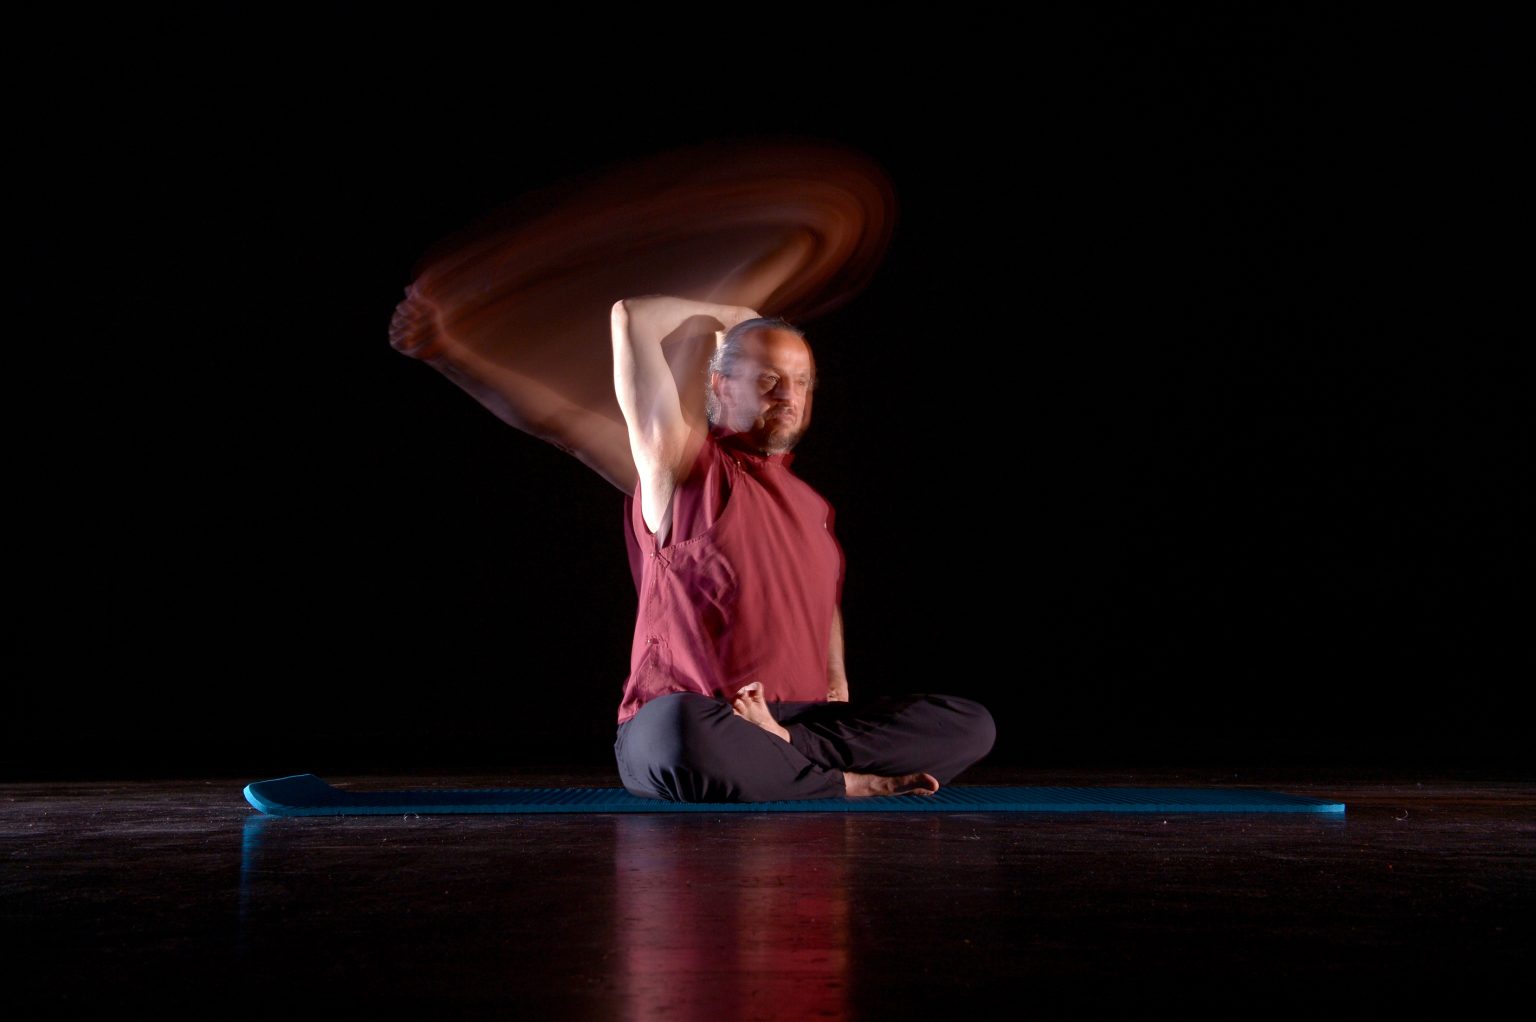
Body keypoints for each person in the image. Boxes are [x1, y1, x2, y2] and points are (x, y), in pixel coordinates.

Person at [609, 295, 995, 801]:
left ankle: (786, 752)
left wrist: (835, 680)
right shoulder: (686, 471)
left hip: (797, 718)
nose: (789, 396)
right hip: (705, 715)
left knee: (969, 725)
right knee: (674, 731)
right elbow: (630, 317)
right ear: (721, 386)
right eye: (769, 380)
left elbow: (822, 600)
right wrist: (738, 319)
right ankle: (838, 781)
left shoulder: (814, 506)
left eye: (802, 382)